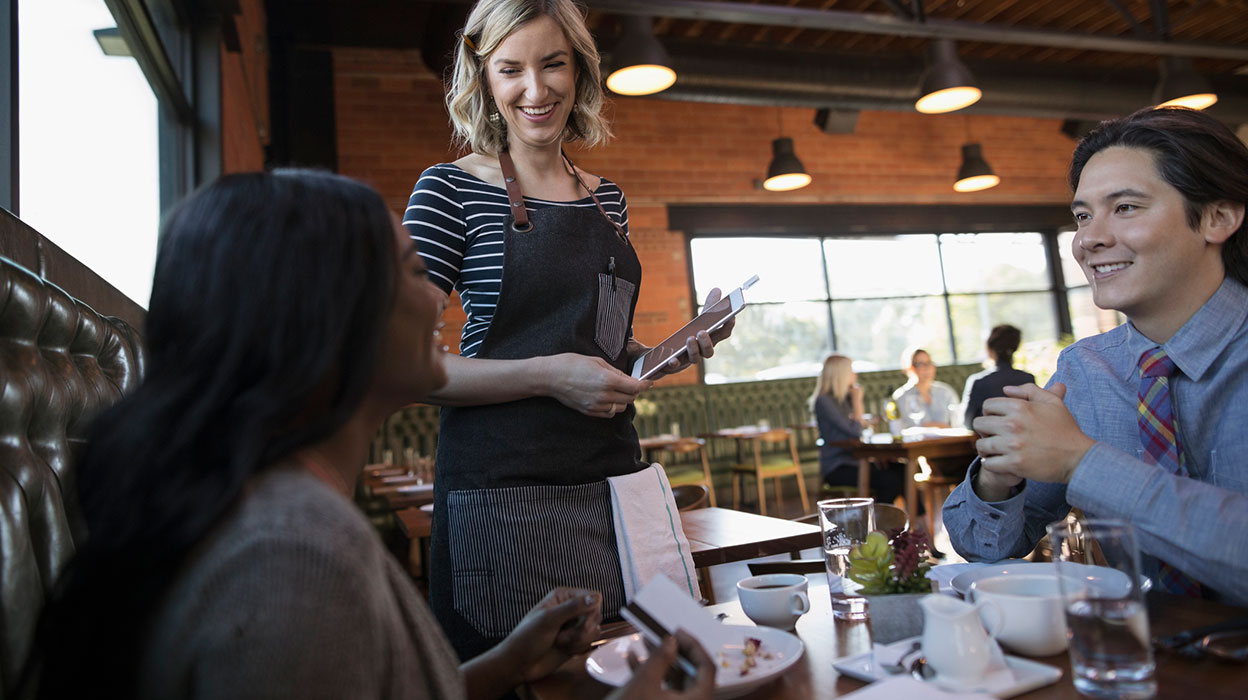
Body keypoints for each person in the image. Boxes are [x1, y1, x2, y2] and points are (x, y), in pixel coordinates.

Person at [26, 171, 715, 698]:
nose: (436, 304)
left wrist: (504, 666)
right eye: (417, 271)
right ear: (330, 320)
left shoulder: (287, 516)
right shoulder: (291, 558)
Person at [404, 0, 732, 659]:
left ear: (579, 69)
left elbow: (606, 347)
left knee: (644, 670)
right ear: (484, 77)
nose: (535, 89)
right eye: (511, 69)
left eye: (553, 64)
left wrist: (667, 353)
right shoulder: (450, 190)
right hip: (505, 502)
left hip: (618, 490)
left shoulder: (606, 200)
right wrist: (549, 375)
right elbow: (406, 363)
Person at [943, 106, 1248, 604]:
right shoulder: (1086, 370)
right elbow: (985, 546)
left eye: (1125, 207)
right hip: (1143, 665)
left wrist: (1082, 462)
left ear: (1218, 217)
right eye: (1083, 215)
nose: (1088, 239)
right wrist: (1000, 477)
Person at [811, 355, 904, 507]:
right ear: (840, 374)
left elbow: (858, 427)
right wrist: (857, 401)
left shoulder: (844, 398)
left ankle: (919, 521)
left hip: (857, 461)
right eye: (851, 370)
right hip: (838, 467)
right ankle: (877, 523)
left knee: (903, 470)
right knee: (890, 480)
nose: (855, 375)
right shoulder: (824, 401)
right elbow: (854, 431)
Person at [960, 325, 1035, 428]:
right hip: (1026, 440)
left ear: (989, 349)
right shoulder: (1028, 379)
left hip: (990, 441)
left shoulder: (979, 381)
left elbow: (968, 422)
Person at [891, 349, 959, 428]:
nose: (927, 368)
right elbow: (911, 427)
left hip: (952, 439)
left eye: (929, 363)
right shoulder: (901, 396)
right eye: (921, 364)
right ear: (910, 368)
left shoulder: (946, 391)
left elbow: (958, 421)